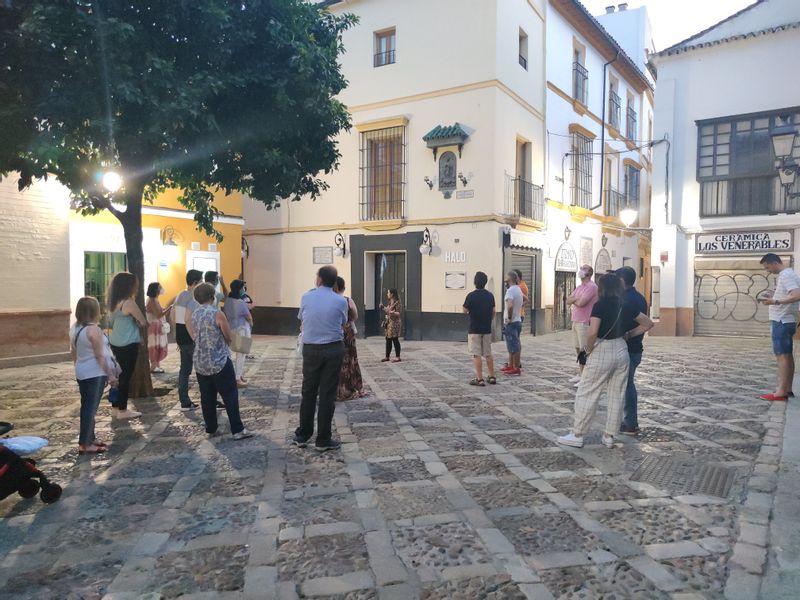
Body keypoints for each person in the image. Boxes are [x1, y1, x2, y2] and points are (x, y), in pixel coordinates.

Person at [557, 273, 653, 449]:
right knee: (617, 394)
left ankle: (578, 434)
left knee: (587, 392)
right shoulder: (627, 304)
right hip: (621, 350)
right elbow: (648, 323)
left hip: (602, 350)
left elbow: (593, 332)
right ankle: (609, 435)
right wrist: (629, 334)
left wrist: (586, 350)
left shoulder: (599, 306)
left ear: (602, 288)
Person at [294, 265, 348, 452]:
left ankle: (303, 434)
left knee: (308, 391)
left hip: (310, 348)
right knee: (327, 394)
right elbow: (343, 322)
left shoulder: (306, 297)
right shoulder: (340, 301)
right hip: (333, 348)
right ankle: (323, 439)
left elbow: (302, 318)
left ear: (319, 279)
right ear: (334, 281)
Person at [190, 283, 253, 440]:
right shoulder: (217, 313)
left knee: (207, 396)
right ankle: (237, 429)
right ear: (212, 296)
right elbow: (228, 336)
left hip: (200, 361)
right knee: (230, 394)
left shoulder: (195, 313)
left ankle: (211, 428)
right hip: (218, 360)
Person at [70, 297, 118, 453]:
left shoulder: (75, 328)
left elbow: (74, 351)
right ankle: (85, 443)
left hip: (82, 371)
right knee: (90, 408)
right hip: (94, 372)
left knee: (87, 405)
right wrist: (110, 375)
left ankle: (90, 437)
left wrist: (77, 365)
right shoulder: (94, 330)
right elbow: (100, 356)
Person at [759, 253, 800, 401]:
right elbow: (791, 294)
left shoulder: (785, 275)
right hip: (787, 320)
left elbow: (796, 295)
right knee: (787, 356)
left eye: (767, 267)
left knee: (781, 356)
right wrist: (774, 294)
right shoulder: (790, 274)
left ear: (774, 262)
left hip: (781, 321)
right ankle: (787, 389)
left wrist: (775, 301)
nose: (767, 270)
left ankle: (781, 392)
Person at [107, 272, 146, 419]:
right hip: (128, 342)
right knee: (125, 377)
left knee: (118, 374)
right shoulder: (129, 302)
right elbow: (142, 321)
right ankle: (122, 410)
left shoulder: (113, 302)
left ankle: (115, 407)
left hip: (115, 341)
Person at [615, 267, 648, 435]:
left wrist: (629, 334)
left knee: (627, 385)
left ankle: (630, 423)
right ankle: (626, 421)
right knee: (627, 384)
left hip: (629, 348)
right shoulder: (639, 297)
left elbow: (647, 323)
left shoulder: (627, 300)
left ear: (622, 281)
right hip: (635, 348)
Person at [174, 270, 203, 411]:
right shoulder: (193, 298)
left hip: (181, 337)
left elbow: (172, 316)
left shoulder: (180, 295)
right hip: (190, 337)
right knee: (202, 370)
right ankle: (210, 399)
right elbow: (187, 319)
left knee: (184, 371)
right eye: (201, 281)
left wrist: (177, 335)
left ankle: (184, 401)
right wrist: (195, 338)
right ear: (195, 283)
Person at [334, 276, 367, 400]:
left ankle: (335, 390)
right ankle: (351, 388)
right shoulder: (347, 300)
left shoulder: (329, 301)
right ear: (343, 287)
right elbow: (355, 316)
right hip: (347, 333)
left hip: (333, 333)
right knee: (350, 361)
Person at [463, 271, 497, 386]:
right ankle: (492, 376)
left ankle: (480, 378)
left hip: (474, 328)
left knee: (476, 354)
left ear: (475, 282)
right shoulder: (490, 295)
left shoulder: (471, 296)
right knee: (488, 353)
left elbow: (465, 310)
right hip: (486, 328)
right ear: (485, 282)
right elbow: (493, 312)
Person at [567, 265, 598, 385]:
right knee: (577, 348)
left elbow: (581, 303)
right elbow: (568, 300)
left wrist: (575, 299)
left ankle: (586, 377)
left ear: (589, 273)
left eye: (583, 268)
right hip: (575, 321)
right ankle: (581, 374)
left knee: (584, 350)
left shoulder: (592, 287)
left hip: (585, 322)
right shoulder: (580, 287)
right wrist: (576, 298)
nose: (580, 270)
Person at [222, 279, 253, 387]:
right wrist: (251, 323)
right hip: (241, 329)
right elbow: (248, 316)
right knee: (241, 354)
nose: (243, 289)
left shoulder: (228, 300)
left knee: (234, 354)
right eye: (242, 287)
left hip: (231, 328)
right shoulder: (240, 302)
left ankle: (237, 375)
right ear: (239, 289)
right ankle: (237, 378)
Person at [145, 282, 172, 374]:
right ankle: (153, 366)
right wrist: (170, 308)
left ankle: (157, 365)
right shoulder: (152, 300)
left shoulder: (154, 300)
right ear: (156, 290)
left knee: (158, 345)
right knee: (155, 346)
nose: (162, 289)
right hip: (154, 327)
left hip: (156, 326)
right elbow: (159, 314)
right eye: (160, 287)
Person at [501, 271, 524, 376]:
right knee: (512, 344)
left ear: (510, 280)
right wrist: (517, 308)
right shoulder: (518, 289)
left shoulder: (510, 291)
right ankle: (511, 365)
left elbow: (509, 305)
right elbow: (525, 299)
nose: (505, 281)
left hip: (511, 322)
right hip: (518, 320)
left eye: (506, 279)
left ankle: (515, 367)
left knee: (514, 345)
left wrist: (510, 317)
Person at [380, 289, 403, 363]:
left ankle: (398, 357)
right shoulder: (390, 302)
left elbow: (399, 313)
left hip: (395, 323)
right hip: (389, 322)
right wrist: (383, 307)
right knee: (388, 339)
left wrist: (392, 313)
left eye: (388, 293)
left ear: (392, 294)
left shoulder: (397, 303)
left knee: (395, 339)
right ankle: (387, 356)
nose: (387, 294)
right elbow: (388, 310)